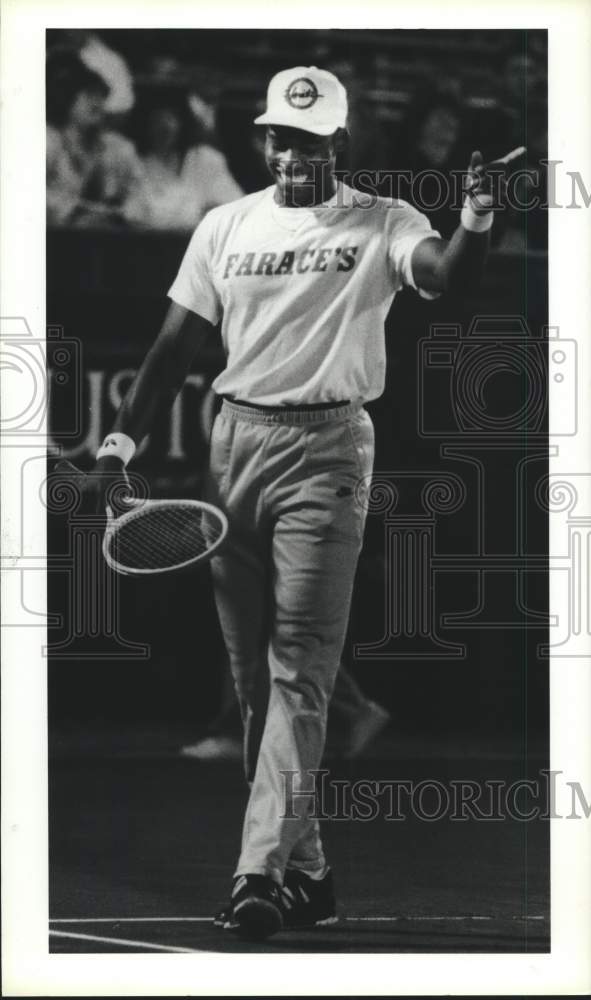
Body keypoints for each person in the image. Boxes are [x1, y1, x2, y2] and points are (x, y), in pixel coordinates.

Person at [79, 65, 500, 940]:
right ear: (261, 139)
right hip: (233, 450)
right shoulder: (223, 226)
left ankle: (256, 873)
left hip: (330, 453)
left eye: (309, 141)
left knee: (298, 669)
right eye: (278, 137)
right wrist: (118, 446)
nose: (290, 153)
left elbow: (446, 276)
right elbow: (170, 348)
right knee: (251, 684)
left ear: (339, 144)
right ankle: (308, 873)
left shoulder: (384, 220)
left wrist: (475, 219)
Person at [46, 54, 149, 228]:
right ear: (66, 99)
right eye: (88, 95)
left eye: (101, 96)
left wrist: (120, 214)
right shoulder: (48, 142)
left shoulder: (119, 148)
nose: (97, 103)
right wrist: (75, 214)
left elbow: (141, 198)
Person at [133, 92, 243, 230]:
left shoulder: (206, 159)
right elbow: (135, 216)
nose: (165, 125)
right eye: (157, 118)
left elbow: (236, 208)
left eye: (172, 116)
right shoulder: (137, 164)